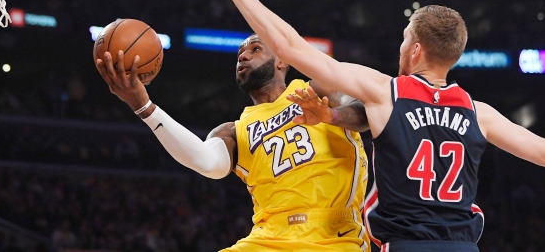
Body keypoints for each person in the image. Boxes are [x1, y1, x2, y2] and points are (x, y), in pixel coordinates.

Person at [200, 0, 545, 252]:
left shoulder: (386, 92)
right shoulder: (478, 112)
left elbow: (290, 47)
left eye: (405, 37)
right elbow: (539, 151)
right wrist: (333, 116)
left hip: (406, 245)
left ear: (415, 51)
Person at [95, 34, 371, 251]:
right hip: (267, 239)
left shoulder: (315, 90)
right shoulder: (233, 131)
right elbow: (206, 162)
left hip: (332, 235)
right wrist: (142, 105)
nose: (243, 55)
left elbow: (367, 115)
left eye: (255, 49)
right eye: (240, 53)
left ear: (282, 61)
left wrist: (331, 115)